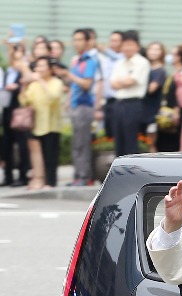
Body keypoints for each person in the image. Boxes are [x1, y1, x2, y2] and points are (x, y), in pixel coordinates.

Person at [54, 29, 99, 186]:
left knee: (82, 143)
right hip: (75, 106)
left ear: (87, 42)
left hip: (84, 106)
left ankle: (84, 177)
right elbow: (73, 84)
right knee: (76, 143)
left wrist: (69, 74)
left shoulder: (90, 61)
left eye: (79, 40)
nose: (76, 43)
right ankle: (78, 176)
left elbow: (86, 84)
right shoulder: (78, 60)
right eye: (74, 40)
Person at [18, 56, 64, 189]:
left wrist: (41, 82)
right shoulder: (34, 84)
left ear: (50, 69)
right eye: (37, 66)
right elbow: (24, 101)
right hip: (36, 124)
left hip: (51, 124)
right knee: (39, 155)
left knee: (50, 155)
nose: (39, 69)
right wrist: (24, 86)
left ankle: (51, 182)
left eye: (42, 66)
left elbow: (53, 97)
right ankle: (40, 179)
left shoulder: (56, 82)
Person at [110, 30, 150, 156]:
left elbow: (130, 81)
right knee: (118, 141)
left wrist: (121, 82)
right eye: (125, 44)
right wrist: (124, 82)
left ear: (137, 46)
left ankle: (131, 173)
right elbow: (112, 84)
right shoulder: (119, 63)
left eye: (130, 44)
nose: (127, 48)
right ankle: (119, 173)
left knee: (130, 141)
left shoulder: (142, 62)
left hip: (133, 104)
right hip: (118, 104)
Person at [1, 45, 29, 187]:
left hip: (20, 110)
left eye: (17, 52)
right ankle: (8, 176)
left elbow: (28, 84)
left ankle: (23, 176)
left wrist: (16, 87)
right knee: (6, 144)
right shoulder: (8, 70)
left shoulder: (25, 69)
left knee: (22, 144)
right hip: (7, 109)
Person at [97, 31, 124, 138]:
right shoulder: (106, 59)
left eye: (116, 40)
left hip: (119, 100)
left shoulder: (123, 58)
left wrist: (105, 50)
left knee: (118, 132)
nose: (112, 43)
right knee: (107, 132)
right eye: (111, 40)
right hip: (107, 101)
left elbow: (118, 58)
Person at [143, 41, 167, 152]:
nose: (153, 52)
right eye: (151, 49)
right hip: (141, 109)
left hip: (152, 111)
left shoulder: (160, 71)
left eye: (157, 49)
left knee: (150, 142)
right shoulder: (144, 67)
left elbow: (151, 89)